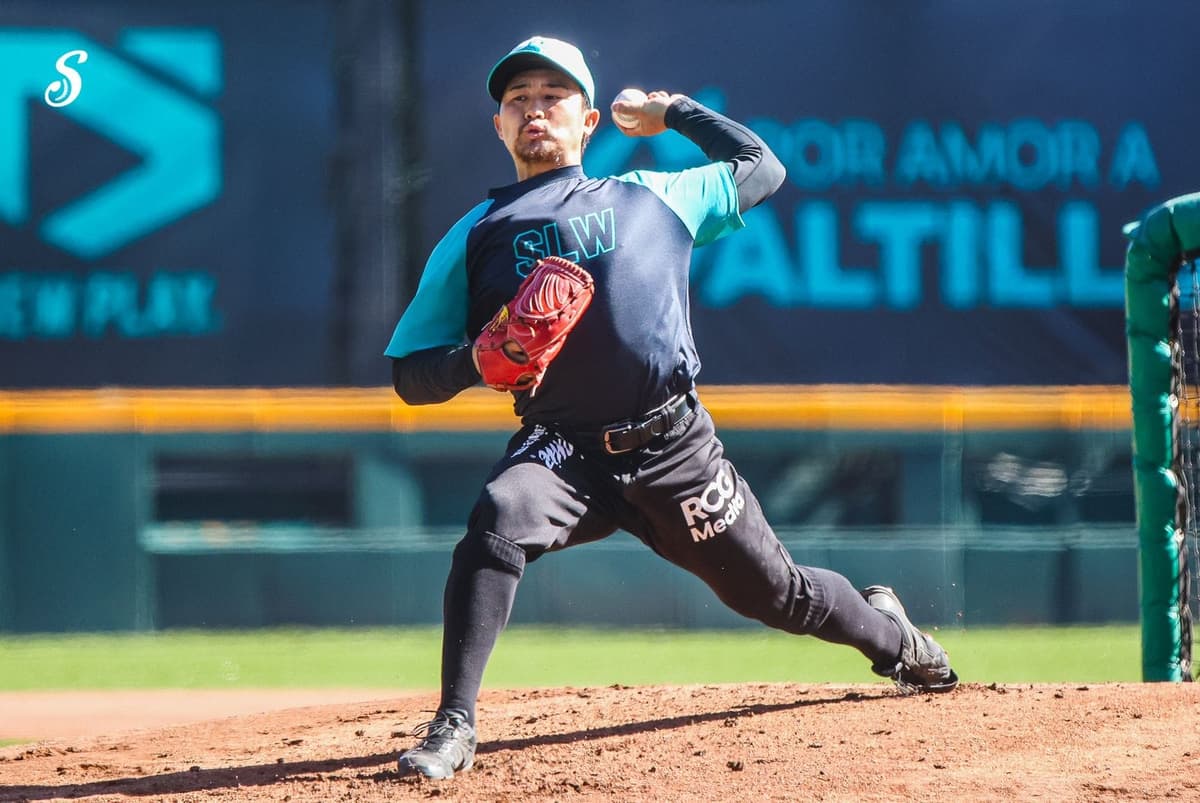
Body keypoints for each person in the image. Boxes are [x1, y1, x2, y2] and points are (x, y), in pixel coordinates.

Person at [385, 35, 958, 780]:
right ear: (498, 125)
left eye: (552, 98)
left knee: (779, 595)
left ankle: (894, 638)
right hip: (566, 449)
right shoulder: (474, 236)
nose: (534, 111)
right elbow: (408, 373)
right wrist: (473, 362)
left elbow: (764, 168)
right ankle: (454, 725)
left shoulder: (653, 194)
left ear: (586, 122)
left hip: (674, 446)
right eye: (517, 100)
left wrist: (674, 112)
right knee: (498, 516)